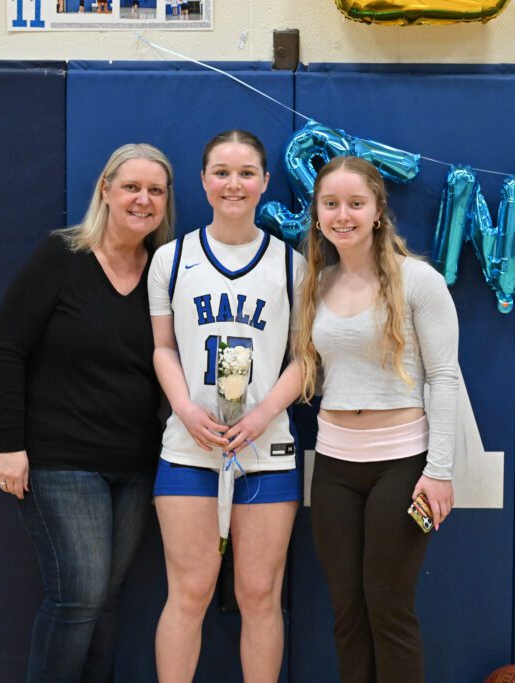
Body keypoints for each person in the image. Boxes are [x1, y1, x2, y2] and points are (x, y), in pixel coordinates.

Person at [0, 143, 175, 683]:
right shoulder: (62, 256)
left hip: (136, 466)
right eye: (131, 187)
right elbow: (8, 347)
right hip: (61, 463)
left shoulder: (165, 271)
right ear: (105, 190)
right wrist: (9, 445)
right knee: (79, 597)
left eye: (156, 190)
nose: (143, 199)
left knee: (106, 599)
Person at [294, 155, 459, 683]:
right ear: (317, 214)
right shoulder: (315, 284)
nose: (343, 215)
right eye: (331, 204)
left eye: (355, 203)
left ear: (378, 211)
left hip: (402, 465)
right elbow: (303, 369)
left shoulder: (419, 280)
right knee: (348, 611)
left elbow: (444, 378)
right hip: (334, 466)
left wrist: (439, 470)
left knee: (388, 607)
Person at [148, 129, 304, 683]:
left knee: (258, 593)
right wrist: (186, 409)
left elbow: (304, 359)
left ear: (264, 182)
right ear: (203, 180)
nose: (233, 184)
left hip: (265, 448)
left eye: (245, 173)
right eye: (221, 172)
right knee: (189, 591)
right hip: (191, 445)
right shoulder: (171, 258)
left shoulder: (291, 265)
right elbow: (163, 348)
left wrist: (262, 416)